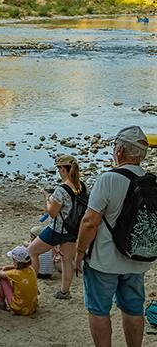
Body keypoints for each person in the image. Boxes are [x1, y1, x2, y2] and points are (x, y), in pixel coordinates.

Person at [75, 126, 152, 347]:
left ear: (119, 150)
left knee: (99, 309)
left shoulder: (108, 179)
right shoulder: (151, 181)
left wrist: (79, 252)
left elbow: (90, 221)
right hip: (137, 258)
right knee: (133, 308)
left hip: (104, 260)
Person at [28, 154, 84, 300]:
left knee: (31, 252)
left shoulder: (62, 189)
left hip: (57, 229)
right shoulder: (82, 186)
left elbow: (52, 213)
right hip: (73, 229)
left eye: (59, 169)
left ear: (63, 170)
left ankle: (32, 287)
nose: (59, 172)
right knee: (67, 261)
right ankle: (64, 292)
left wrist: (47, 199)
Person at [0, 245, 38, 316]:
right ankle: (1, 302)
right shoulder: (31, 269)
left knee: (3, 279)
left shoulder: (15, 274)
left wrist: (1, 269)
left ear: (18, 262)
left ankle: (1, 302)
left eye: (13, 260)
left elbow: (0, 274)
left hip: (18, 307)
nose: (13, 261)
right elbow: (17, 269)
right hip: (32, 307)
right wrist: (8, 267)